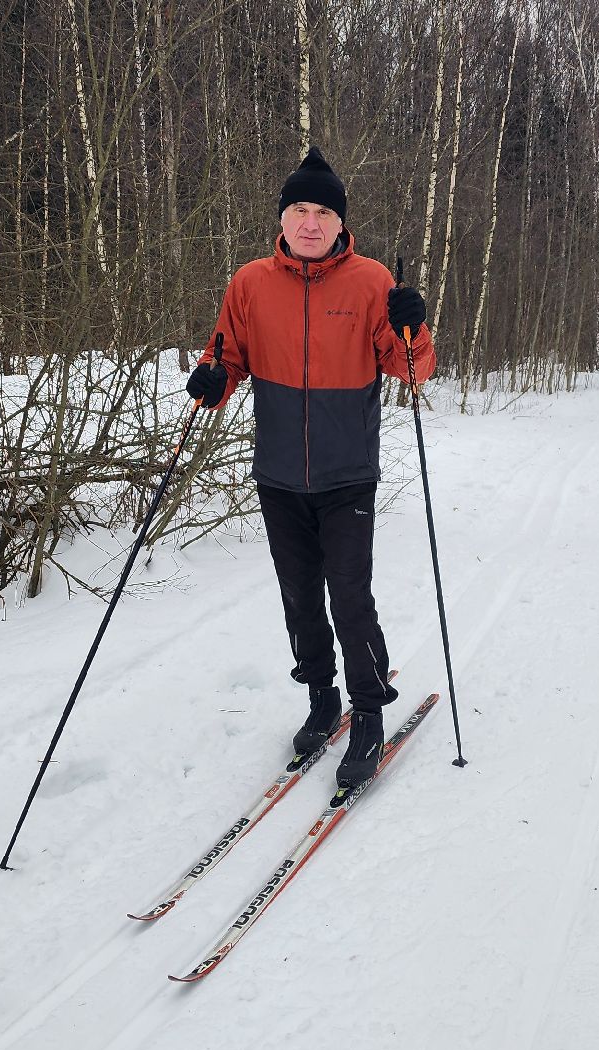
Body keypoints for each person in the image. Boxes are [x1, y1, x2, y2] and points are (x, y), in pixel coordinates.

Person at [185, 147, 434, 788]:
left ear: (339, 222)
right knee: (300, 599)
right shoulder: (250, 283)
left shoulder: (373, 281)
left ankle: (370, 710)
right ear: (284, 218)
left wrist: (415, 329)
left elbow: (410, 370)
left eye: (323, 210)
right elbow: (227, 356)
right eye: (300, 208)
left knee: (349, 598)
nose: (310, 221)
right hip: (277, 474)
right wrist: (211, 380)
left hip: (347, 470)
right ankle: (322, 698)